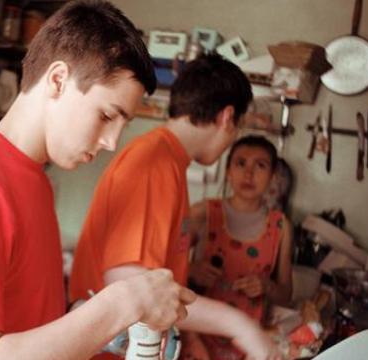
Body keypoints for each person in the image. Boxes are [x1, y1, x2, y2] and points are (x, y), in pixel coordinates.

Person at [0, 1, 196, 360]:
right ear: (58, 80)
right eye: (107, 115)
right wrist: (122, 303)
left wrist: (91, 321)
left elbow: (23, 321)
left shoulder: (32, 177)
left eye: (122, 124)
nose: (111, 142)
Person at [68, 54, 281, 360]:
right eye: (237, 128)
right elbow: (127, 283)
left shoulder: (169, 161)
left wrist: (187, 333)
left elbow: (158, 280)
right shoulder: (154, 163)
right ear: (226, 117)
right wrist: (240, 325)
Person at [187, 135, 293, 360]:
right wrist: (191, 269)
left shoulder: (281, 226)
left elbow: (285, 295)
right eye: (241, 163)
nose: (249, 173)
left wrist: (267, 286)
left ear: (273, 176)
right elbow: (163, 267)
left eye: (260, 166)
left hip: (249, 347)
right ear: (228, 171)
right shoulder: (201, 213)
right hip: (196, 342)